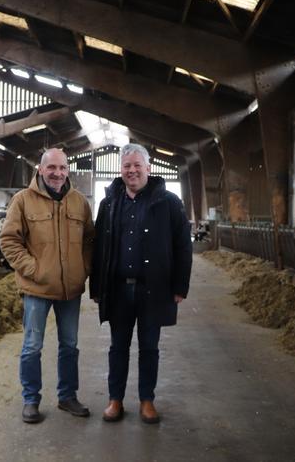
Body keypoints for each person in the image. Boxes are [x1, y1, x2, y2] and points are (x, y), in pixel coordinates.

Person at [90, 143, 192, 424]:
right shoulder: (109, 203)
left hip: (154, 288)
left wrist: (179, 287)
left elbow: (183, 245)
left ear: (149, 168)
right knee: (117, 346)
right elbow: (100, 247)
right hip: (119, 288)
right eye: (126, 166)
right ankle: (115, 400)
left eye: (137, 165)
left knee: (149, 347)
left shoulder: (168, 202)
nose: (132, 170)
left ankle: (147, 400)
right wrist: (97, 287)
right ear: (121, 170)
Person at [0, 148, 94, 424]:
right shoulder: (22, 201)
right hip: (36, 289)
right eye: (52, 167)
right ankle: (31, 399)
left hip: (70, 290)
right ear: (40, 169)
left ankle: (67, 396)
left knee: (70, 345)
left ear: (68, 170)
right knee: (32, 346)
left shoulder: (79, 202)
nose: (58, 173)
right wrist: (34, 269)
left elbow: (90, 239)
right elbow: (8, 241)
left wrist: (83, 268)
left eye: (63, 168)